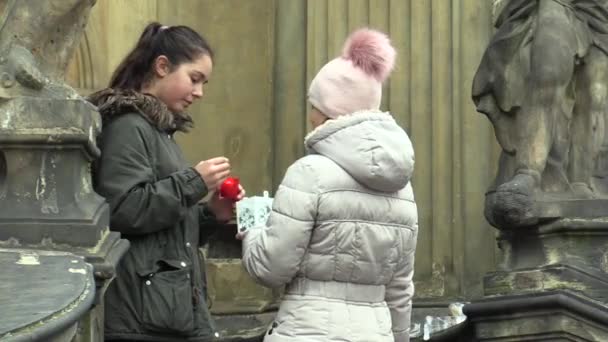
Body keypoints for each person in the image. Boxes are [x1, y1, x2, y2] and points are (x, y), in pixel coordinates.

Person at [240, 28, 418, 342]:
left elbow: (271, 268)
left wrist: (252, 229)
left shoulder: (309, 173)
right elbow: (400, 289)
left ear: (329, 111)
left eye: (314, 106)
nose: (309, 115)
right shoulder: (403, 189)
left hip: (307, 330)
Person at [87, 22, 244, 341]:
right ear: (162, 66)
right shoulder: (128, 126)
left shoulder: (157, 132)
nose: (199, 93)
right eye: (194, 79)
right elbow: (123, 209)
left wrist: (212, 213)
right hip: (142, 320)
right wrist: (194, 181)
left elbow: (165, 231)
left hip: (164, 314)